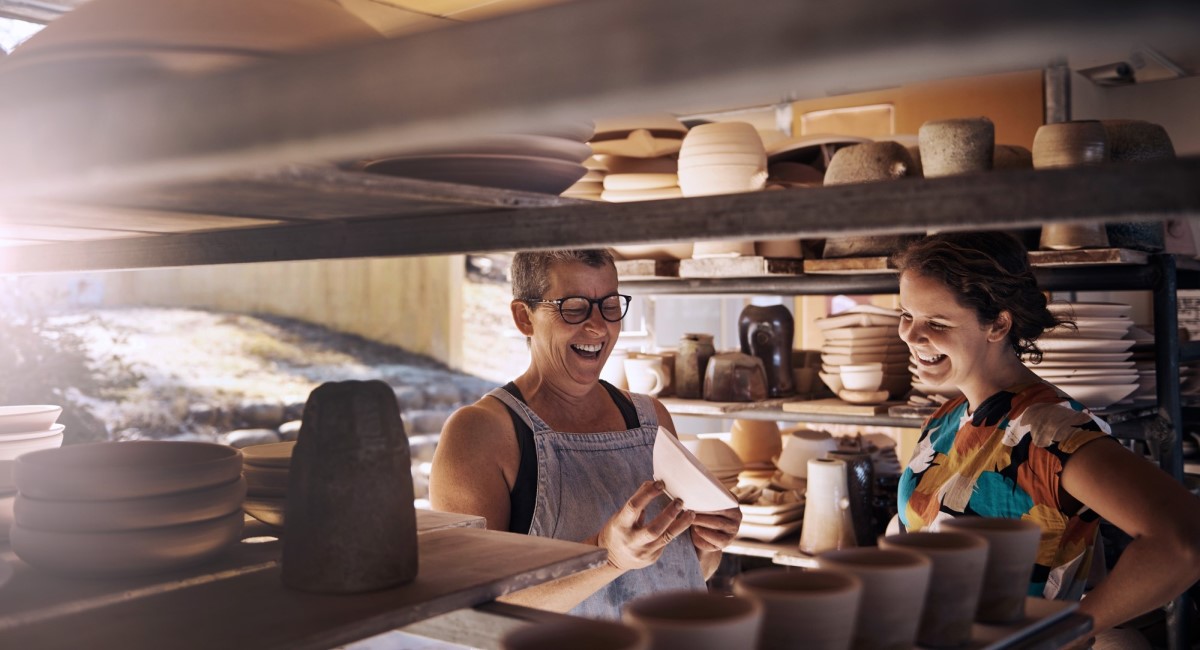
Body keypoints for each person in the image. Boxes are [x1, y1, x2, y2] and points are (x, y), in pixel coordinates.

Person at [892, 231, 1200, 638]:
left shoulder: (1050, 432)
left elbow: (1182, 542)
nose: (911, 335)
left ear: (998, 324)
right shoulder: (944, 420)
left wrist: (1072, 627)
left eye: (936, 322)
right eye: (906, 314)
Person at [430, 248, 741, 620]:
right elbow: (470, 608)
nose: (598, 327)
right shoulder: (480, 434)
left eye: (609, 304)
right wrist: (606, 557)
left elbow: (685, 573)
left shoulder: (650, 417)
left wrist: (708, 544)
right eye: (574, 307)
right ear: (523, 317)